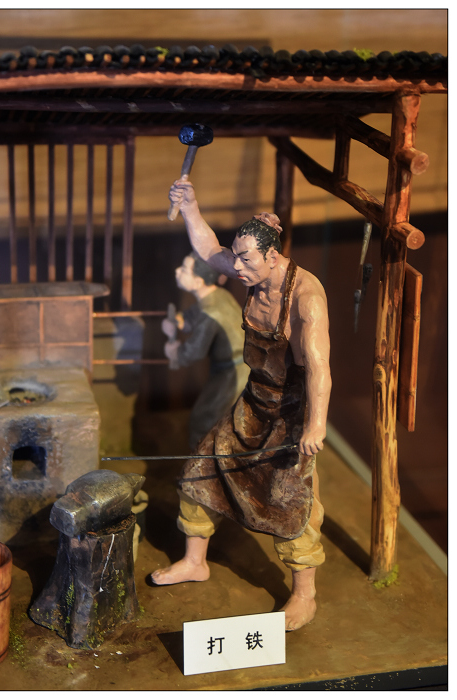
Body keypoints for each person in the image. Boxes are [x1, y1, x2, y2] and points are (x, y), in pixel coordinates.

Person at [151, 180, 331, 632]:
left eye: (245, 259)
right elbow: (209, 248)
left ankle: (305, 594)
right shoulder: (250, 270)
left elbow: (319, 369)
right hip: (253, 401)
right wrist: (190, 206)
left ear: (271, 256)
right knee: (200, 469)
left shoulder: (306, 298)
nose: (235, 266)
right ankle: (195, 561)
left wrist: (315, 426)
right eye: (237, 257)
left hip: (292, 413)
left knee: (291, 502)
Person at [163, 252, 249, 451]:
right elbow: (196, 314)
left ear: (198, 281)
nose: (177, 271)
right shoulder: (217, 296)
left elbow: (194, 351)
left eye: (185, 270)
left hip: (234, 373)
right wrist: (181, 321)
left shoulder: (211, 313)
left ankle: (204, 465)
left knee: (205, 420)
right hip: (234, 366)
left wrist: (174, 352)